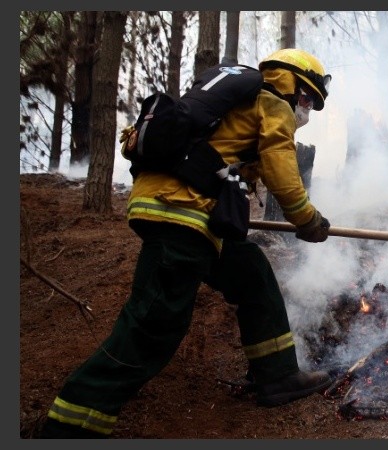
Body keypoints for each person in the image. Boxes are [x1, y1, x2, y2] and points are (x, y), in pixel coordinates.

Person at [39, 48, 334, 438]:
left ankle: (277, 376)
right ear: (290, 83)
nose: (306, 109)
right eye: (308, 97)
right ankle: (69, 424)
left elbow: (242, 162)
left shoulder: (233, 102)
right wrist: (309, 220)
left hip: (191, 217)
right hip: (180, 214)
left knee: (251, 273)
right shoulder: (272, 102)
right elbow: (282, 168)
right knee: (153, 326)